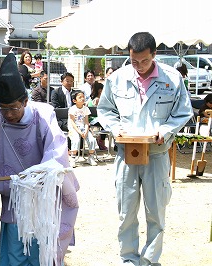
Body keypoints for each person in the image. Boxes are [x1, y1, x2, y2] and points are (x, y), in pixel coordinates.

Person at [0, 53, 79, 265]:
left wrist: (41, 173)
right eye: (3, 108)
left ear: (25, 101)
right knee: (15, 250)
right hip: (12, 195)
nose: (7, 114)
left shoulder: (43, 115)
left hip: (41, 193)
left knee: (42, 250)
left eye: (13, 108)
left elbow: (57, 150)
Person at [97, 32, 193, 266]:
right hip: (126, 156)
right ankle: (129, 259)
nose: (139, 67)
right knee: (126, 213)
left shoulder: (173, 79)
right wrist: (115, 127)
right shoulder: (117, 78)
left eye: (145, 61)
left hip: (157, 156)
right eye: (134, 61)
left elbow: (183, 112)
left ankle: (149, 261)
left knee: (156, 213)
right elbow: (105, 110)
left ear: (155, 55)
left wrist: (166, 130)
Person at [68, 90, 98, 166]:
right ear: (74, 100)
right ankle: (73, 158)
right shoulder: (72, 109)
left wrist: (86, 131)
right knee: (76, 140)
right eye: (80, 97)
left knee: (92, 140)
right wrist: (79, 132)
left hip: (83, 127)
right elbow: (72, 122)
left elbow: (86, 122)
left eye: (83, 97)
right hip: (74, 128)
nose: (82, 98)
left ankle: (90, 157)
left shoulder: (86, 109)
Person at [87, 82, 107, 150]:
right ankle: (101, 141)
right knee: (106, 123)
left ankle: (100, 140)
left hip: (92, 119)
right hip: (94, 119)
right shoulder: (98, 100)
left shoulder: (90, 99)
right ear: (100, 90)